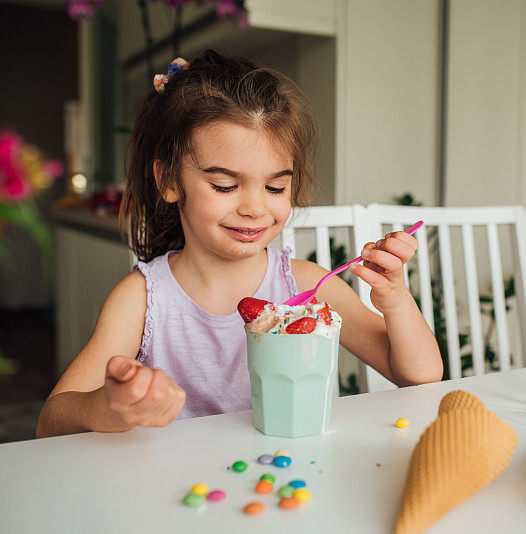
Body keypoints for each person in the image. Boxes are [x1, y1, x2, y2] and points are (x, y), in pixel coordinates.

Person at [36, 50, 442, 438]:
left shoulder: (306, 286)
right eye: (225, 185)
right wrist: (108, 407)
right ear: (169, 181)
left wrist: (395, 301)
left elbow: (419, 375)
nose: (254, 207)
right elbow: (50, 421)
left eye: (275, 186)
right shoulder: (143, 299)